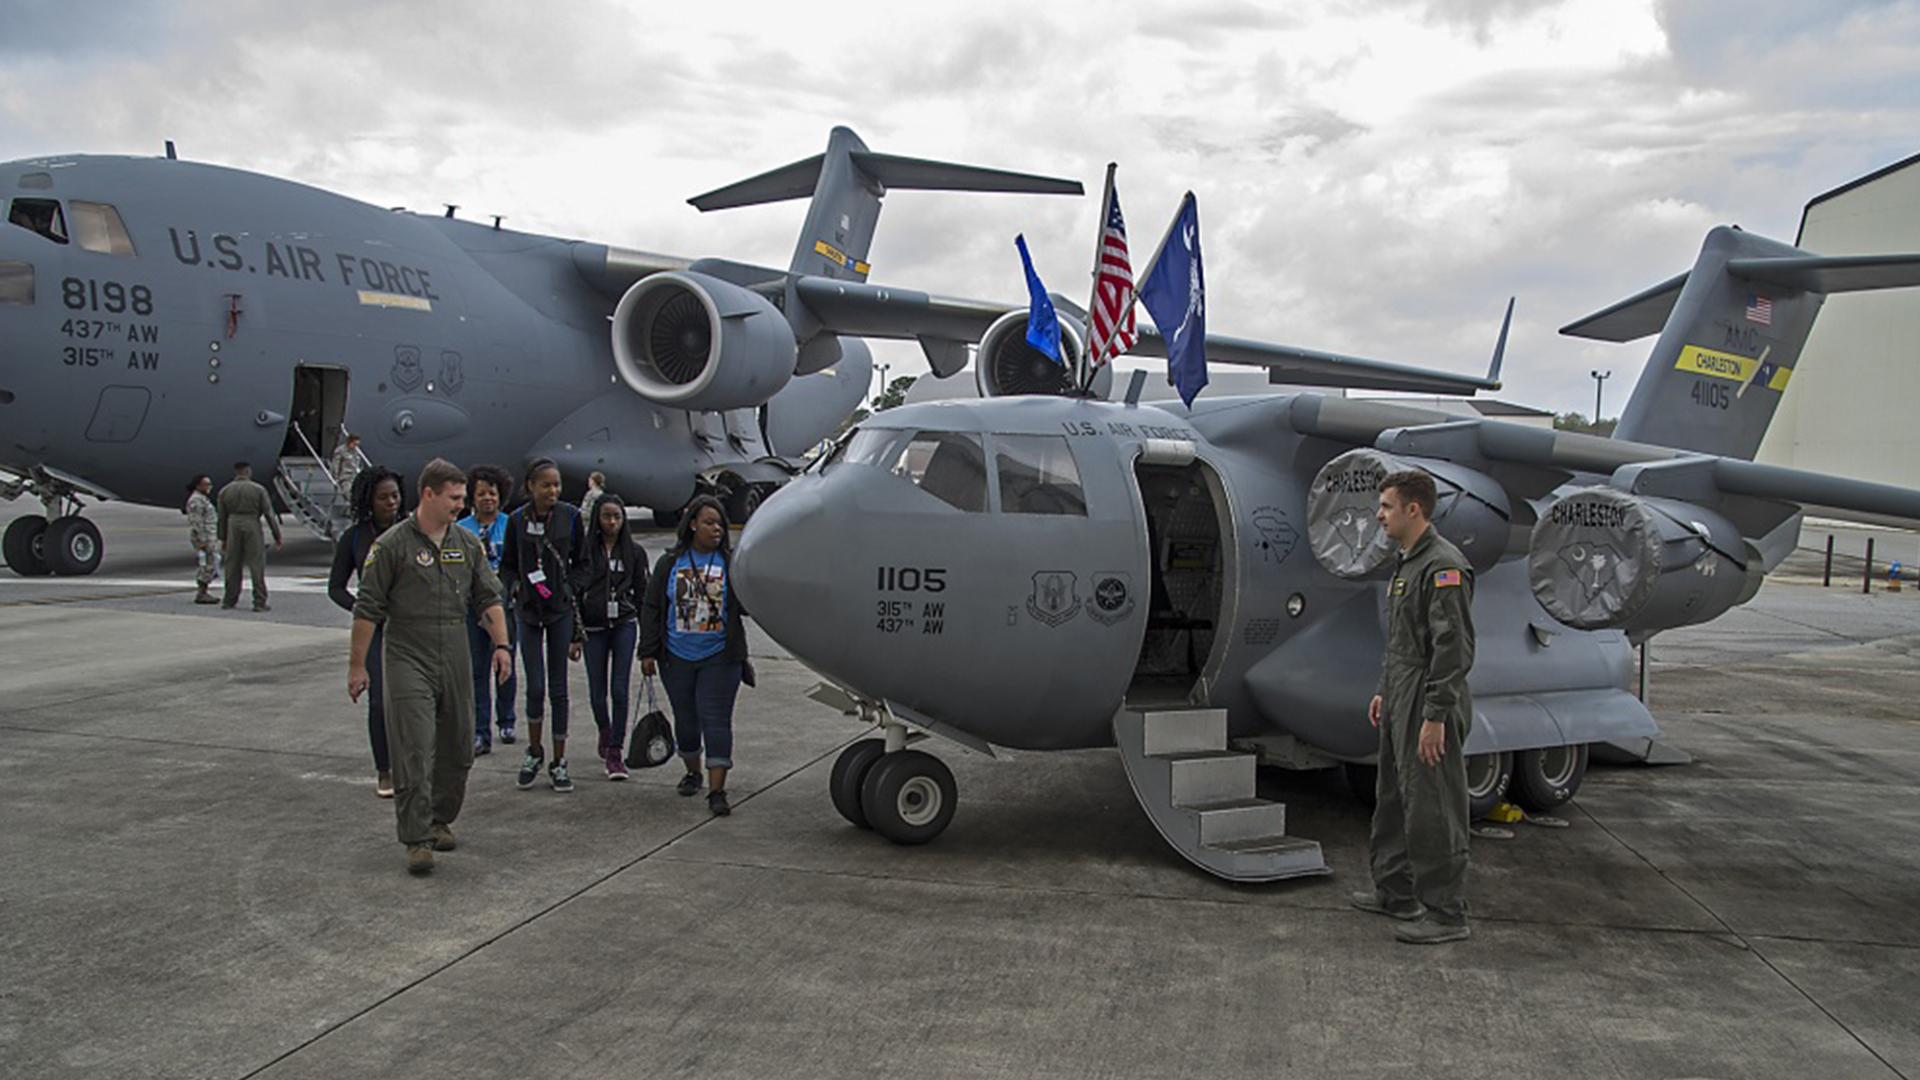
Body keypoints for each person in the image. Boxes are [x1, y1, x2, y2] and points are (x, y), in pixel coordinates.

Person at [348, 458, 511, 876]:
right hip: (406, 652)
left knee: (458, 745)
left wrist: (502, 645)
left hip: (454, 648)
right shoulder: (391, 546)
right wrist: (357, 667)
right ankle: (417, 837)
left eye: (462, 498)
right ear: (429, 494)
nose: (461, 505)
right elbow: (367, 610)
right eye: (454, 498)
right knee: (415, 746)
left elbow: (488, 597)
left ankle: (440, 819)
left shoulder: (466, 544)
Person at [1351, 469, 1477, 945]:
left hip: (1429, 697)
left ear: (1413, 509)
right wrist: (1387, 688)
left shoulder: (1443, 566)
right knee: (1393, 796)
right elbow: (1404, 640)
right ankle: (1395, 892)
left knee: (1433, 806)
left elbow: (1453, 650)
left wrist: (1435, 716)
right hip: (1403, 692)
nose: (1378, 515)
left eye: (1385, 506)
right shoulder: (1408, 563)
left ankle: (1447, 912)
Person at [640, 495, 749, 817]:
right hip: (676, 658)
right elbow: (652, 607)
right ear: (692, 525)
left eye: (720, 523)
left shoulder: (731, 562)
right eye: (709, 522)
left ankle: (717, 791)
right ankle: (693, 772)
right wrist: (647, 651)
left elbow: (748, 603)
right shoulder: (669, 563)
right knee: (686, 723)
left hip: (720, 657)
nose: (716, 528)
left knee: (716, 722)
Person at [498, 458, 586, 793]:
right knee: (535, 686)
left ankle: (560, 760)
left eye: (557, 484)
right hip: (528, 612)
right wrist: (516, 587)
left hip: (560, 610)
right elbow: (507, 565)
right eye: (546, 485)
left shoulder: (571, 517)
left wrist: (568, 588)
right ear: (531, 487)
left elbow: (584, 562)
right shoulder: (517, 520)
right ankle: (534, 751)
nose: (553, 491)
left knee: (559, 688)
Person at [329, 466, 406, 799]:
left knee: (414, 700)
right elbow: (336, 588)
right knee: (380, 702)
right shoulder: (356, 537)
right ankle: (384, 770)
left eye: (395, 495)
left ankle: (413, 764)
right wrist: (364, 610)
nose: (391, 502)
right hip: (375, 630)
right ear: (368, 501)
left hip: (410, 627)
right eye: (383, 497)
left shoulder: (411, 531)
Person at [571, 494, 648, 781]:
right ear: (598, 520)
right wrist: (574, 635)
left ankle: (616, 749)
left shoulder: (634, 553)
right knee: (596, 691)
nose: (612, 522)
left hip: (624, 625)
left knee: (619, 689)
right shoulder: (586, 553)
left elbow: (642, 593)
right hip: (593, 628)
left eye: (617, 516)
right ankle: (604, 728)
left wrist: (647, 638)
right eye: (607, 516)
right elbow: (574, 595)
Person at [457, 464, 520, 755]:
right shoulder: (461, 529)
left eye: (492, 493)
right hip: (474, 609)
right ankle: (480, 731)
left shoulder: (511, 525)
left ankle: (506, 720)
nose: (487, 498)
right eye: (481, 493)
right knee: (477, 671)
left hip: (505, 607)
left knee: (505, 665)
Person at [217, 461, 283, 611]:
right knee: (256, 565)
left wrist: (223, 538)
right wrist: (276, 535)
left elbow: (221, 517)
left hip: (233, 524)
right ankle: (259, 601)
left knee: (232, 565)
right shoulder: (258, 490)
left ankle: (229, 600)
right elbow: (269, 514)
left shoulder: (225, 491)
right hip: (252, 523)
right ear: (248, 471)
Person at [183, 474, 220, 604]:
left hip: (208, 535)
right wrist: (201, 541)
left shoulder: (202, 499)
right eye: (206, 484)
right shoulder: (196, 501)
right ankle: (202, 592)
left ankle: (203, 590)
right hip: (204, 538)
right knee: (207, 563)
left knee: (211, 562)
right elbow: (196, 522)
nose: (209, 487)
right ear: (198, 485)